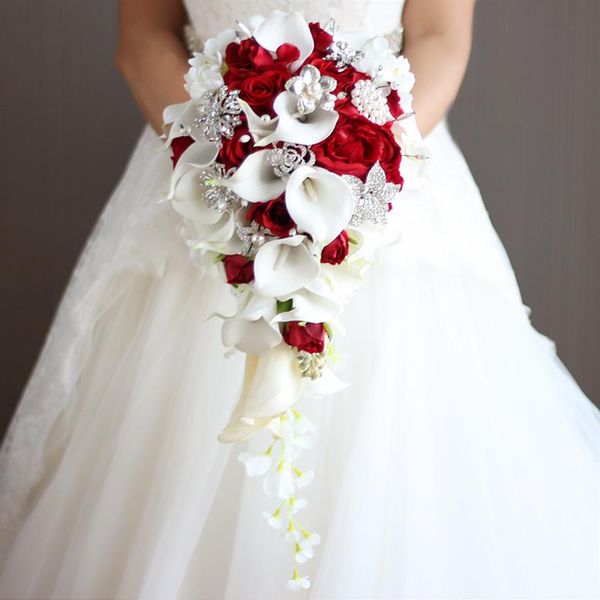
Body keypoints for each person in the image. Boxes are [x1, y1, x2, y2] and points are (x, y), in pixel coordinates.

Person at [1, 0, 599, 598]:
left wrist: (363, 158)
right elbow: (142, 37)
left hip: (386, 181)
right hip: (206, 172)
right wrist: (220, 149)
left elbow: (441, 34)